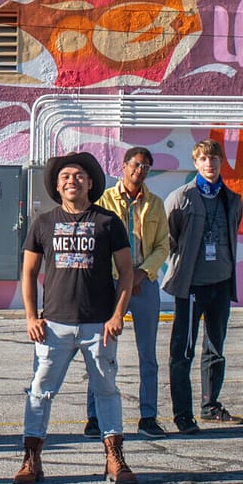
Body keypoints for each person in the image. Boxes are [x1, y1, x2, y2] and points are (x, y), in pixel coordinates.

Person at [14, 152, 137, 484]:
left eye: (79, 176)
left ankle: (115, 457)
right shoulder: (43, 222)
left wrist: (117, 315)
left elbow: (126, 274)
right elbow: (28, 272)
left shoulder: (108, 222)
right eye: (66, 176)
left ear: (91, 182)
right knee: (40, 391)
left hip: (99, 324)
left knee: (106, 390)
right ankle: (32, 459)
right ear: (57, 185)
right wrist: (29, 316)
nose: (72, 181)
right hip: (54, 324)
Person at [163, 139, 243, 433]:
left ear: (221, 163)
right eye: (204, 160)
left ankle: (210, 406)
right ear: (195, 163)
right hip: (191, 287)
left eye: (215, 159)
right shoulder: (181, 198)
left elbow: (232, 233)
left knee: (215, 348)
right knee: (183, 351)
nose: (210, 164)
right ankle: (182, 414)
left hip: (220, 284)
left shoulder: (232, 199)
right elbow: (170, 238)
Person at [94, 147, 170, 439]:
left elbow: (163, 245)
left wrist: (142, 272)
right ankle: (94, 417)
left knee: (147, 354)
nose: (141, 170)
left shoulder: (155, 204)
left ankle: (148, 417)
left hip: (144, 282)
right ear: (124, 166)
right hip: (112, 283)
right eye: (136, 165)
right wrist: (121, 274)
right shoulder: (104, 201)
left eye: (147, 167)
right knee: (100, 350)